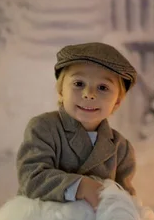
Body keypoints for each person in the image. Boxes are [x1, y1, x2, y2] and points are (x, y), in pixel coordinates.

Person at [16, 41, 137, 210]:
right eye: (79, 84)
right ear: (60, 91)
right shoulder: (43, 128)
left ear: (116, 102)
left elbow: (124, 201)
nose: (89, 94)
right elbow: (31, 178)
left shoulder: (122, 148)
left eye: (103, 87)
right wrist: (80, 186)